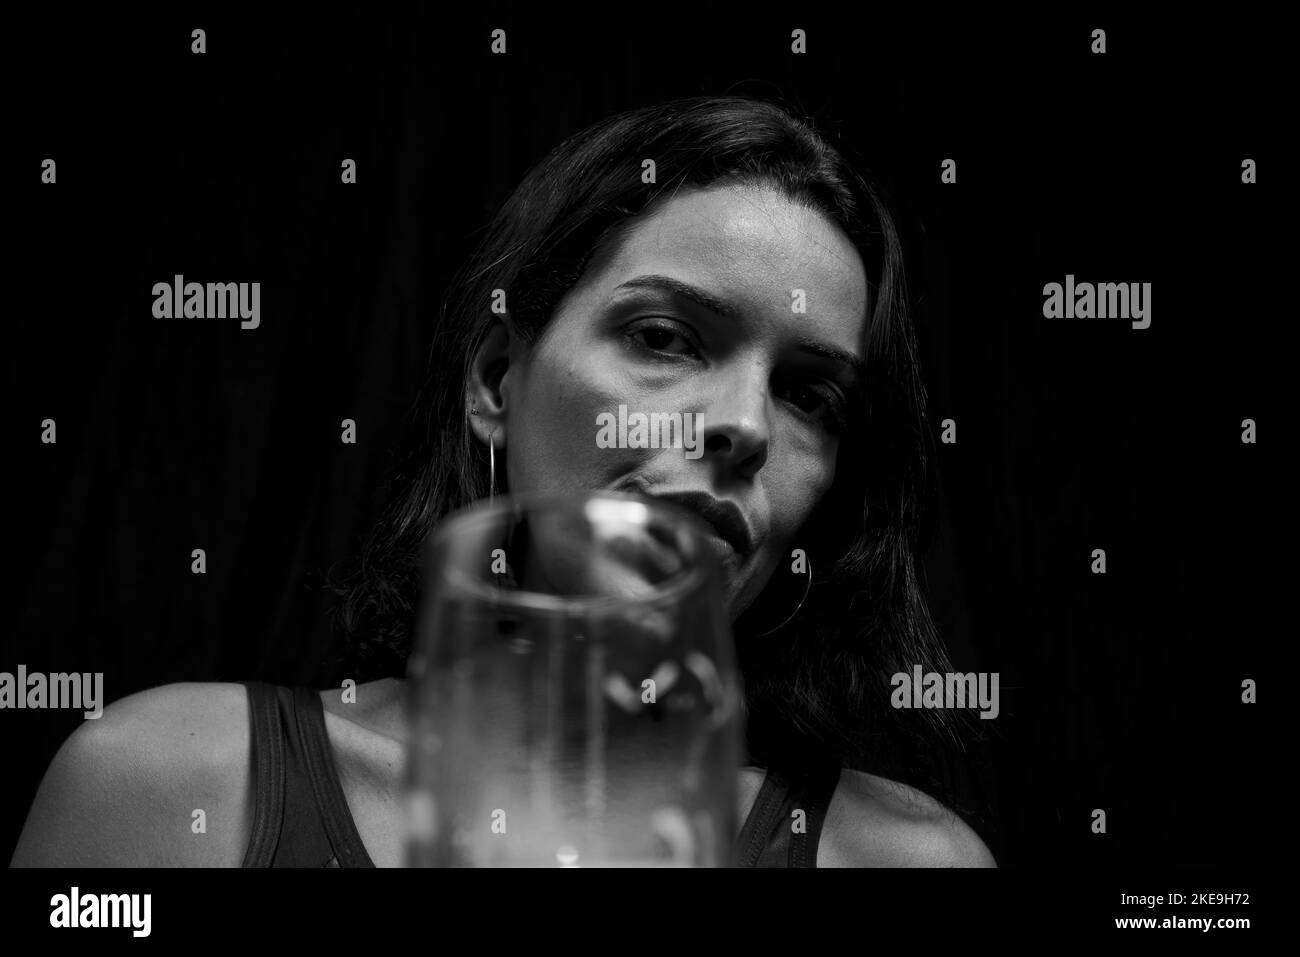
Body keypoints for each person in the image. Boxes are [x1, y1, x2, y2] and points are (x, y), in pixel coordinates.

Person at [11, 95, 995, 867]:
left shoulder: (903, 860)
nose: (741, 426)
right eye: (664, 338)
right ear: (496, 380)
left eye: (809, 395)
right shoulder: (178, 788)